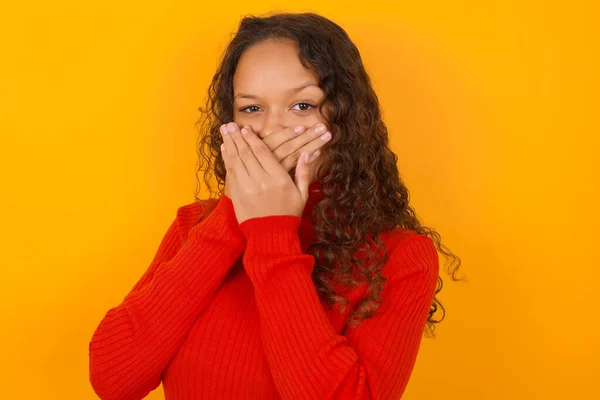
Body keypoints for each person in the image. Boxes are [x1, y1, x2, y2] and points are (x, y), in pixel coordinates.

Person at [89, 11, 461, 400]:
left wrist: (272, 233)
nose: (272, 130)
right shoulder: (195, 227)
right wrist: (232, 217)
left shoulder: (398, 257)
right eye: (251, 108)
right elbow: (114, 380)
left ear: (346, 117)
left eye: (302, 105)